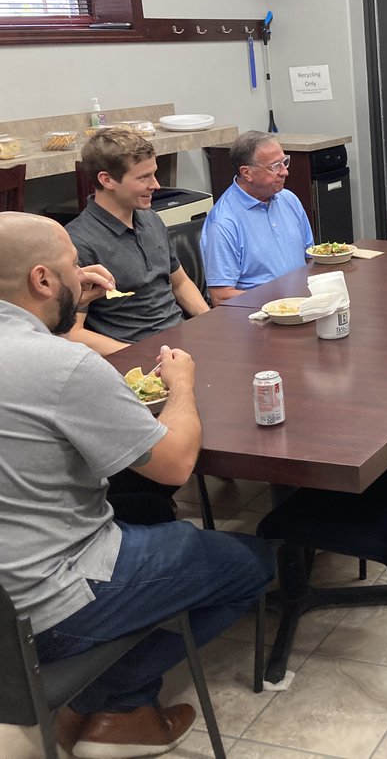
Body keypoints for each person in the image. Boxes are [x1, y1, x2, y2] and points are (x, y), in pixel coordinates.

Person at [0, 212, 275, 759]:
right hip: (51, 600)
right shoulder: (63, 366)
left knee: (147, 515)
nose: (83, 275)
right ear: (42, 280)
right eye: (73, 266)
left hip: (6, 602)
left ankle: (91, 703)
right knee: (254, 564)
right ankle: (120, 709)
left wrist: (68, 310)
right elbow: (175, 465)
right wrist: (182, 385)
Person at [66, 129, 209, 356]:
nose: (156, 185)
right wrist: (141, 356)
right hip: (136, 353)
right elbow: (74, 333)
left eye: (154, 174)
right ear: (106, 180)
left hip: (179, 341)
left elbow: (180, 284)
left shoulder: (150, 218)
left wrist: (212, 322)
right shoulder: (79, 242)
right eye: (143, 178)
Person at [201, 131, 314, 306]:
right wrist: (279, 301)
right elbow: (221, 296)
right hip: (260, 313)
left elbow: (311, 257)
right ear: (247, 173)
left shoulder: (289, 199)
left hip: (304, 302)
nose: (285, 172)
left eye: (285, 162)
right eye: (275, 166)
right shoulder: (224, 222)